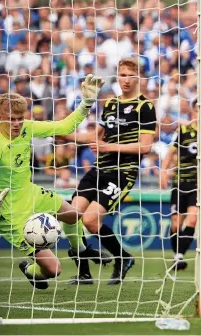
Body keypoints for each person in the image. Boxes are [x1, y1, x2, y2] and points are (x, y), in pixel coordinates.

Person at [0, 75, 109, 290]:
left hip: (29, 193)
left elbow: (64, 126)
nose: (17, 123)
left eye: (21, 118)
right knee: (53, 271)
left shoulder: (25, 127)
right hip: (8, 212)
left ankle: (79, 249)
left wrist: (86, 103)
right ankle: (31, 270)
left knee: (73, 215)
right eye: (12, 119)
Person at [61, 58, 157, 285]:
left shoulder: (145, 107)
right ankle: (84, 272)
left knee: (91, 221)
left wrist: (108, 147)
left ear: (138, 78)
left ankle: (123, 258)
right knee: (71, 215)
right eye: (122, 75)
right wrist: (63, 134)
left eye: (130, 75)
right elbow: (96, 137)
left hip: (122, 172)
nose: (125, 79)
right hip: (99, 169)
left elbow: (145, 146)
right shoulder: (111, 103)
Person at [160, 99, 198, 270]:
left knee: (192, 219)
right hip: (180, 182)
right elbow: (170, 154)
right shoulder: (182, 130)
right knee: (176, 223)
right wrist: (163, 171)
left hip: (198, 184)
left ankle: (180, 256)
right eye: (197, 109)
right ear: (193, 111)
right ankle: (177, 255)